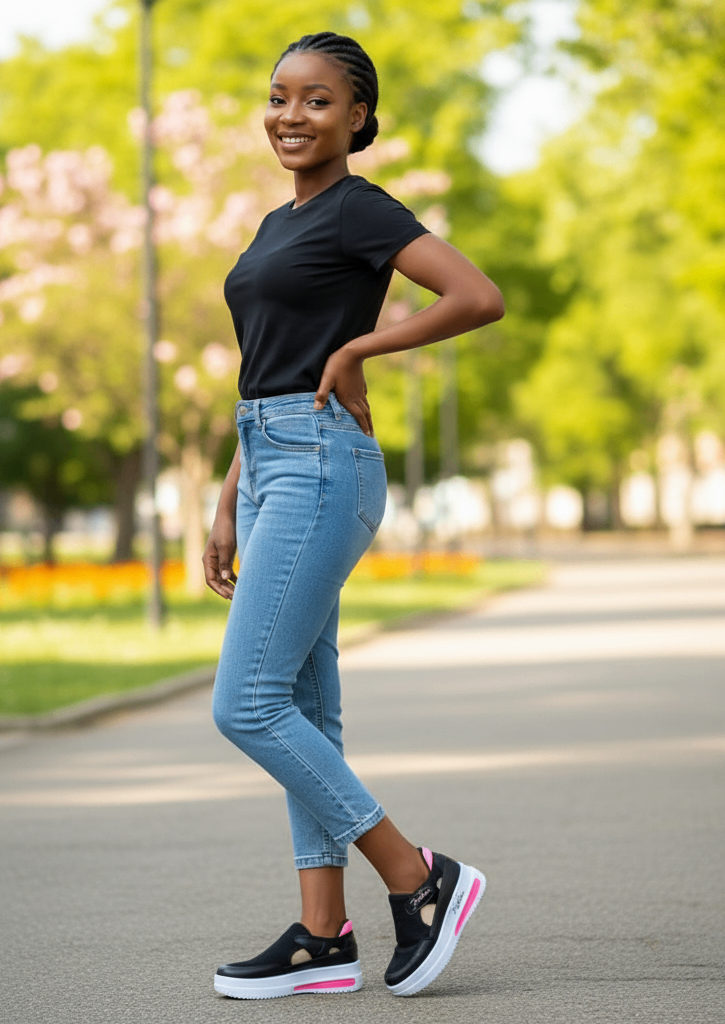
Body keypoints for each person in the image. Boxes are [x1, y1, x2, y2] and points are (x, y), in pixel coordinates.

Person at [203, 31, 504, 1000]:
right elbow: (264, 367)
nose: (292, 115)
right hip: (268, 462)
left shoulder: (358, 209)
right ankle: (322, 937)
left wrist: (363, 347)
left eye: (319, 100)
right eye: (279, 95)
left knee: (245, 702)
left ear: (359, 118)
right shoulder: (268, 227)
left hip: (323, 463)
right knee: (304, 709)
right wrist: (225, 495)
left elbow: (474, 295)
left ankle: (418, 878)